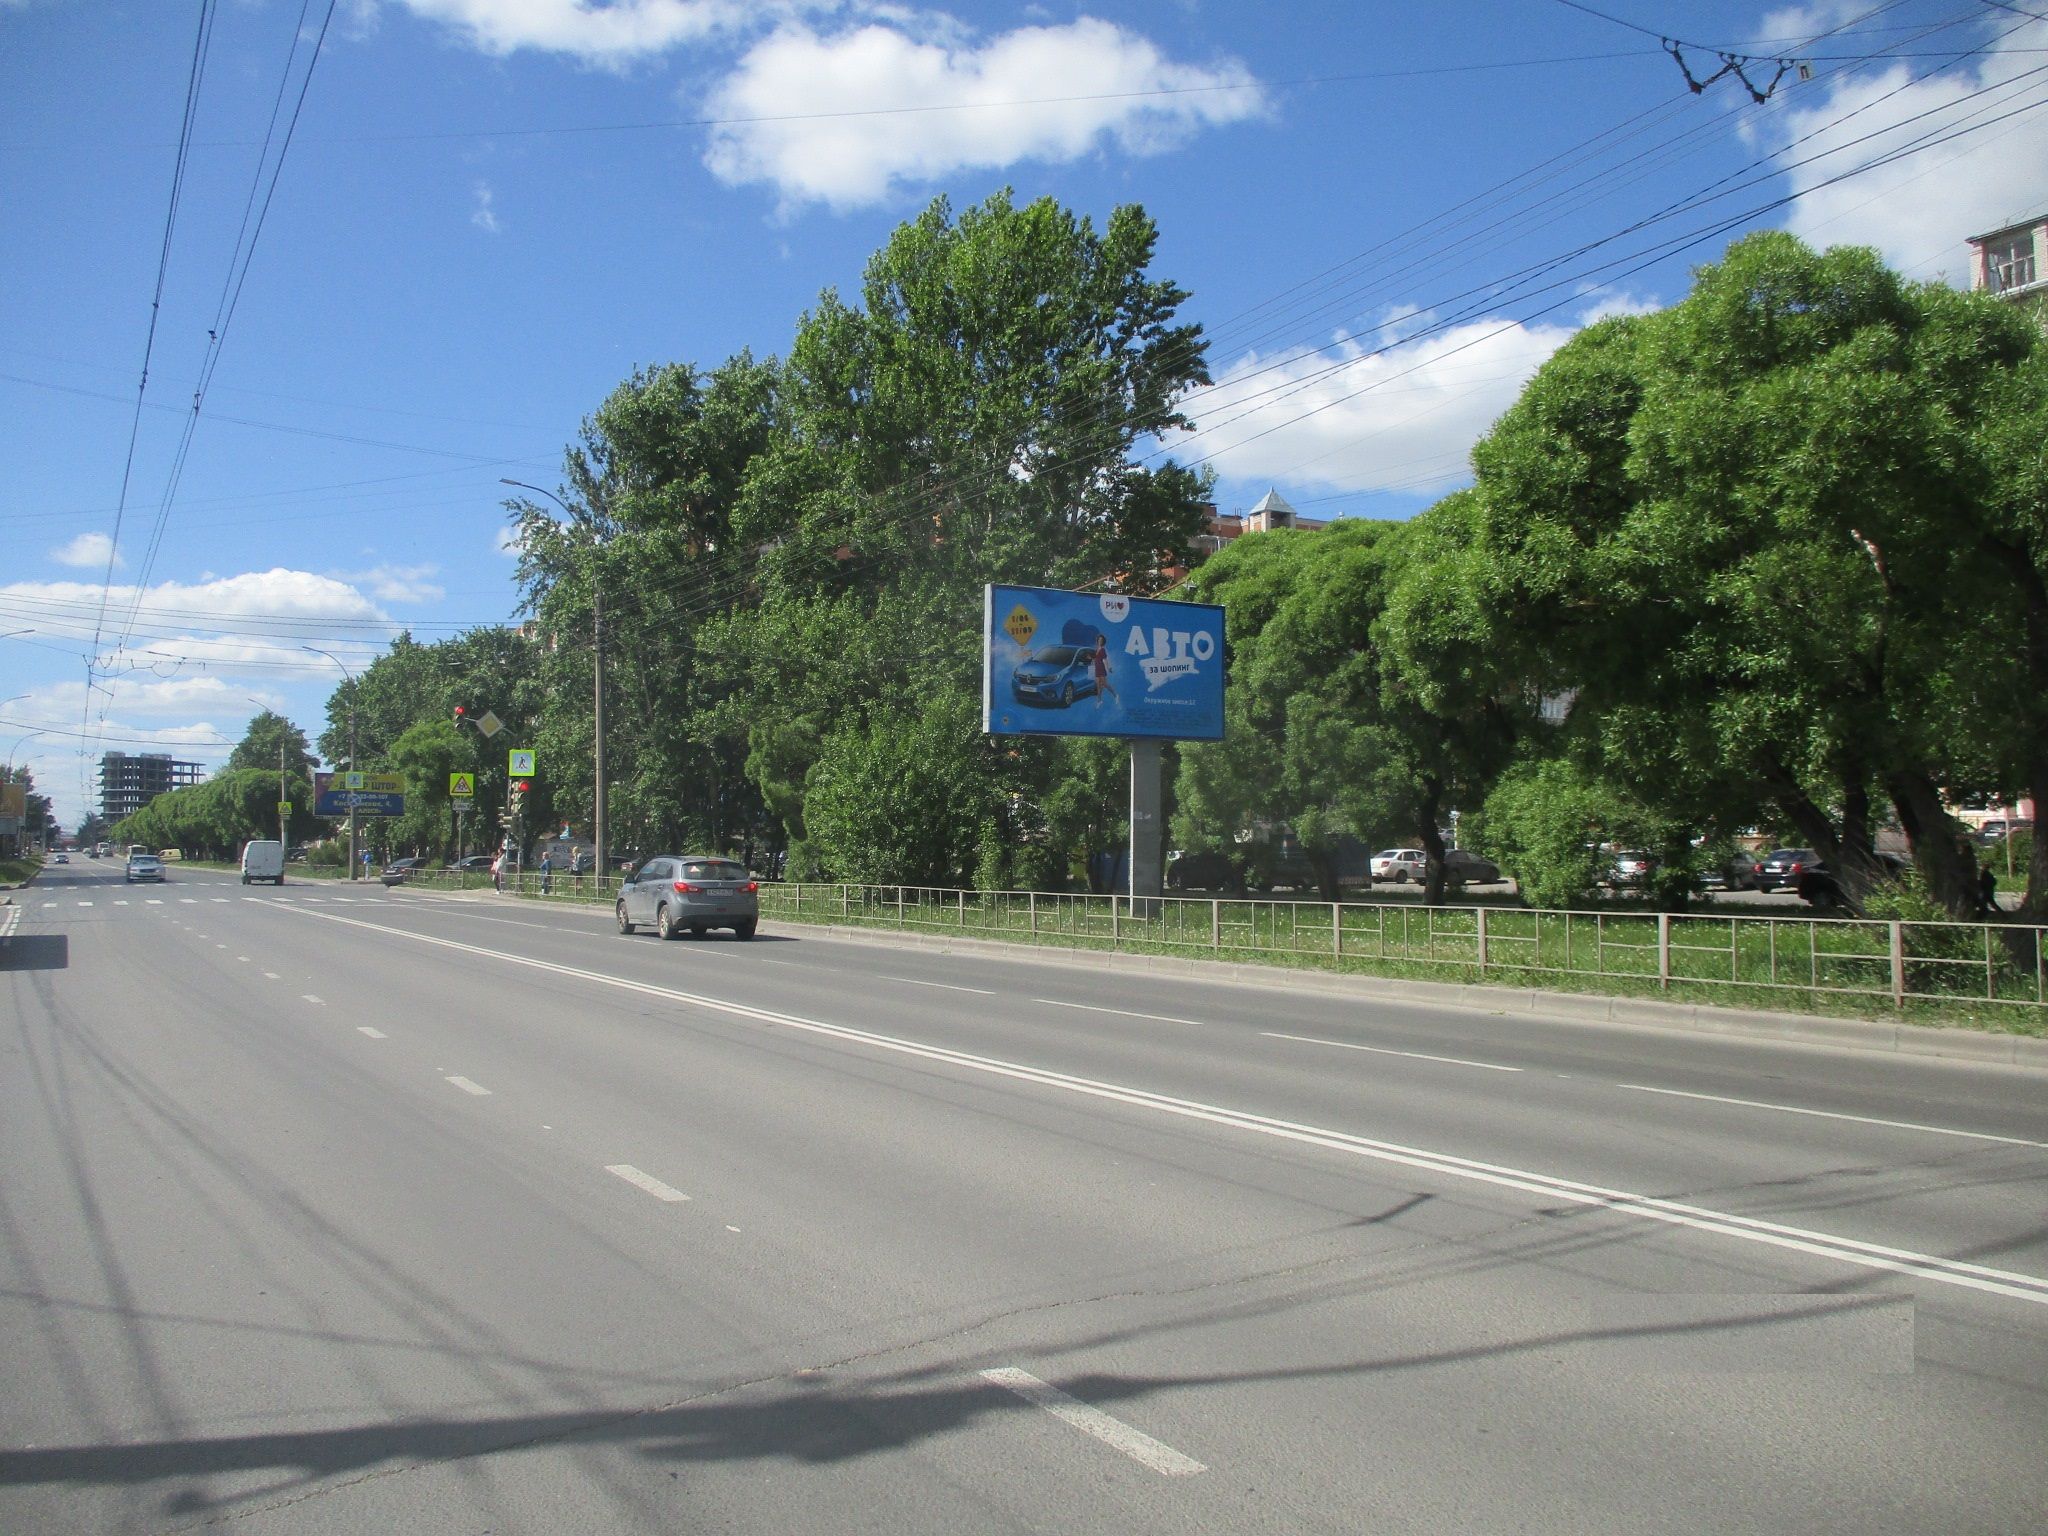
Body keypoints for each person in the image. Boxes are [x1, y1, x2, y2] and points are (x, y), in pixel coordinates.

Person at [1091, 633, 1117, 709]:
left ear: (1103, 642)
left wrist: (1108, 668)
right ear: (1097, 641)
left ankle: (1115, 695)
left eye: (1101, 640)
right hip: (1096, 669)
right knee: (1098, 686)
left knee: (1105, 684)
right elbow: (1095, 659)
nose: (1100, 641)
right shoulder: (1096, 649)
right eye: (1099, 640)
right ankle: (1099, 701)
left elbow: (1105, 660)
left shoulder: (1102, 650)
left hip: (1101, 668)